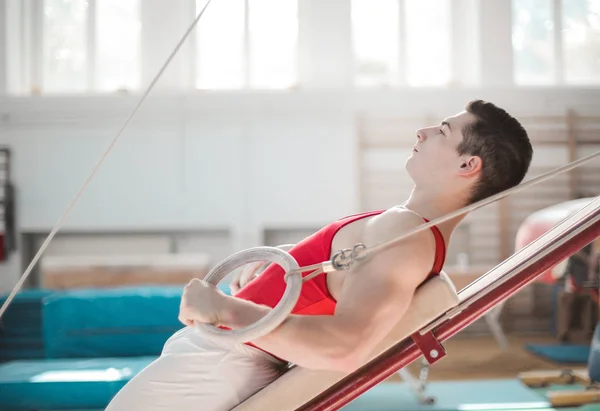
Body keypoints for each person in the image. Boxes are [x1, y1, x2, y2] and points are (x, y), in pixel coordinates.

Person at [105, 100, 533, 411]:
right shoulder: (407, 228)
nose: (422, 132)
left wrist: (225, 307)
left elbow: (344, 348)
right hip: (222, 358)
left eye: (442, 130)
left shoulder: (405, 236)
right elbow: (341, 277)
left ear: (468, 166)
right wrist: (290, 264)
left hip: (223, 360)